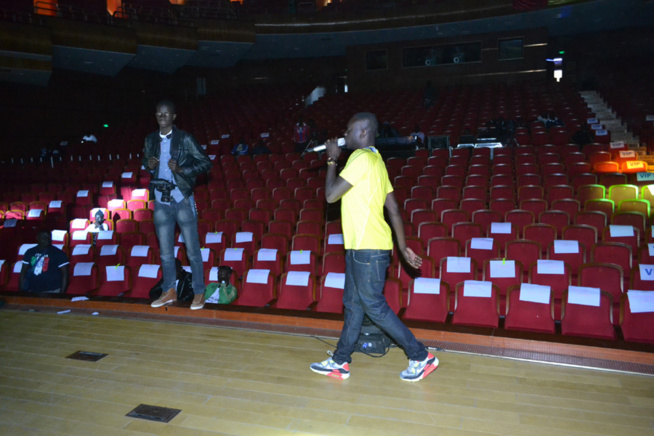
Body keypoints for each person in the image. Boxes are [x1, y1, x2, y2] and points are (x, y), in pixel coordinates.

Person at [310, 112, 438, 382]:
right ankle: (340, 361)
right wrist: (402, 247)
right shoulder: (377, 161)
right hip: (364, 248)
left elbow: (331, 195)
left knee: (373, 306)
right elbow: (392, 207)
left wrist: (332, 159)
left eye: (348, 130)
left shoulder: (360, 159)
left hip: (367, 248)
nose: (344, 135)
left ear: (364, 132)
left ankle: (420, 356)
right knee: (354, 305)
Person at [142, 99, 212, 310]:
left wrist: (182, 170)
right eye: (158, 113)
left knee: (192, 251)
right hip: (161, 202)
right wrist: (149, 164)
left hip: (181, 198)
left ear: (173, 116)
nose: (162, 116)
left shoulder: (185, 138)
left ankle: (199, 293)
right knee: (165, 252)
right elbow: (145, 162)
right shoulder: (150, 139)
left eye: (166, 113)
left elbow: (206, 162)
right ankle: (169, 290)